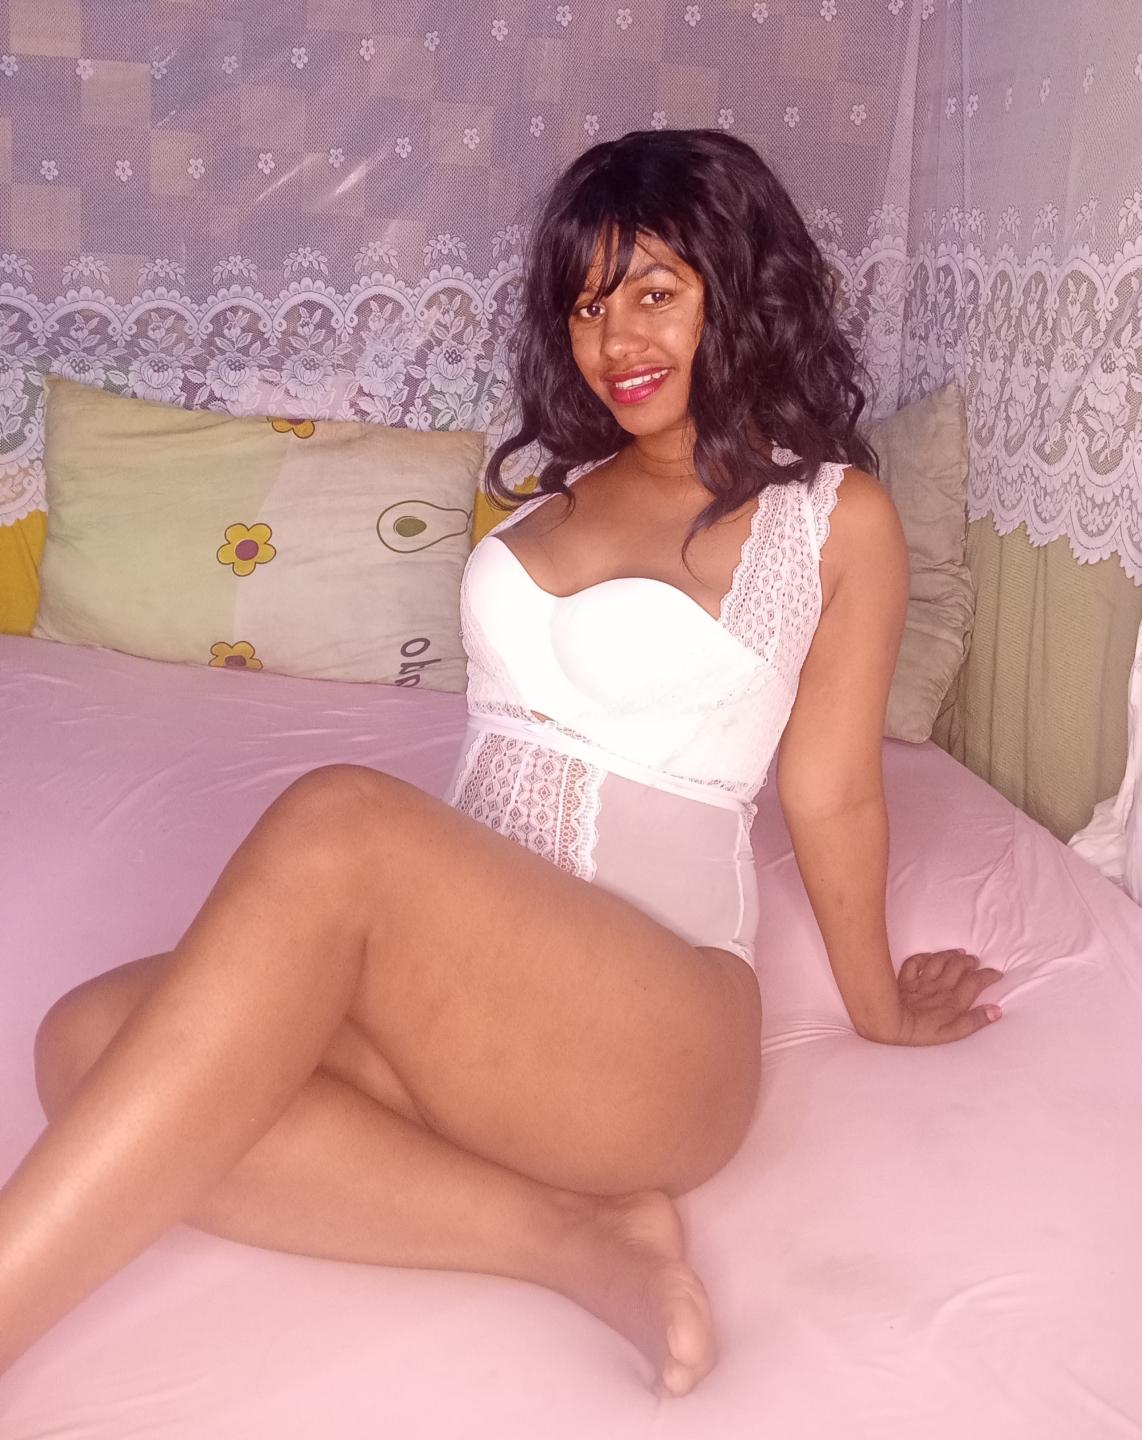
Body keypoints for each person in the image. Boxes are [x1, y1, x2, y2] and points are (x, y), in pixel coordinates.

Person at [0, 129, 1003, 1396]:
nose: (615, 340)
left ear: (741, 289)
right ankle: (570, 1240)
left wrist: (876, 1008)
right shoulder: (562, 493)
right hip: (466, 1019)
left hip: (654, 1041)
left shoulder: (831, 517)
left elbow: (833, 791)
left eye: (653, 292)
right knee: (82, 1041)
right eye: (586, 306)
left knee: (340, 819)